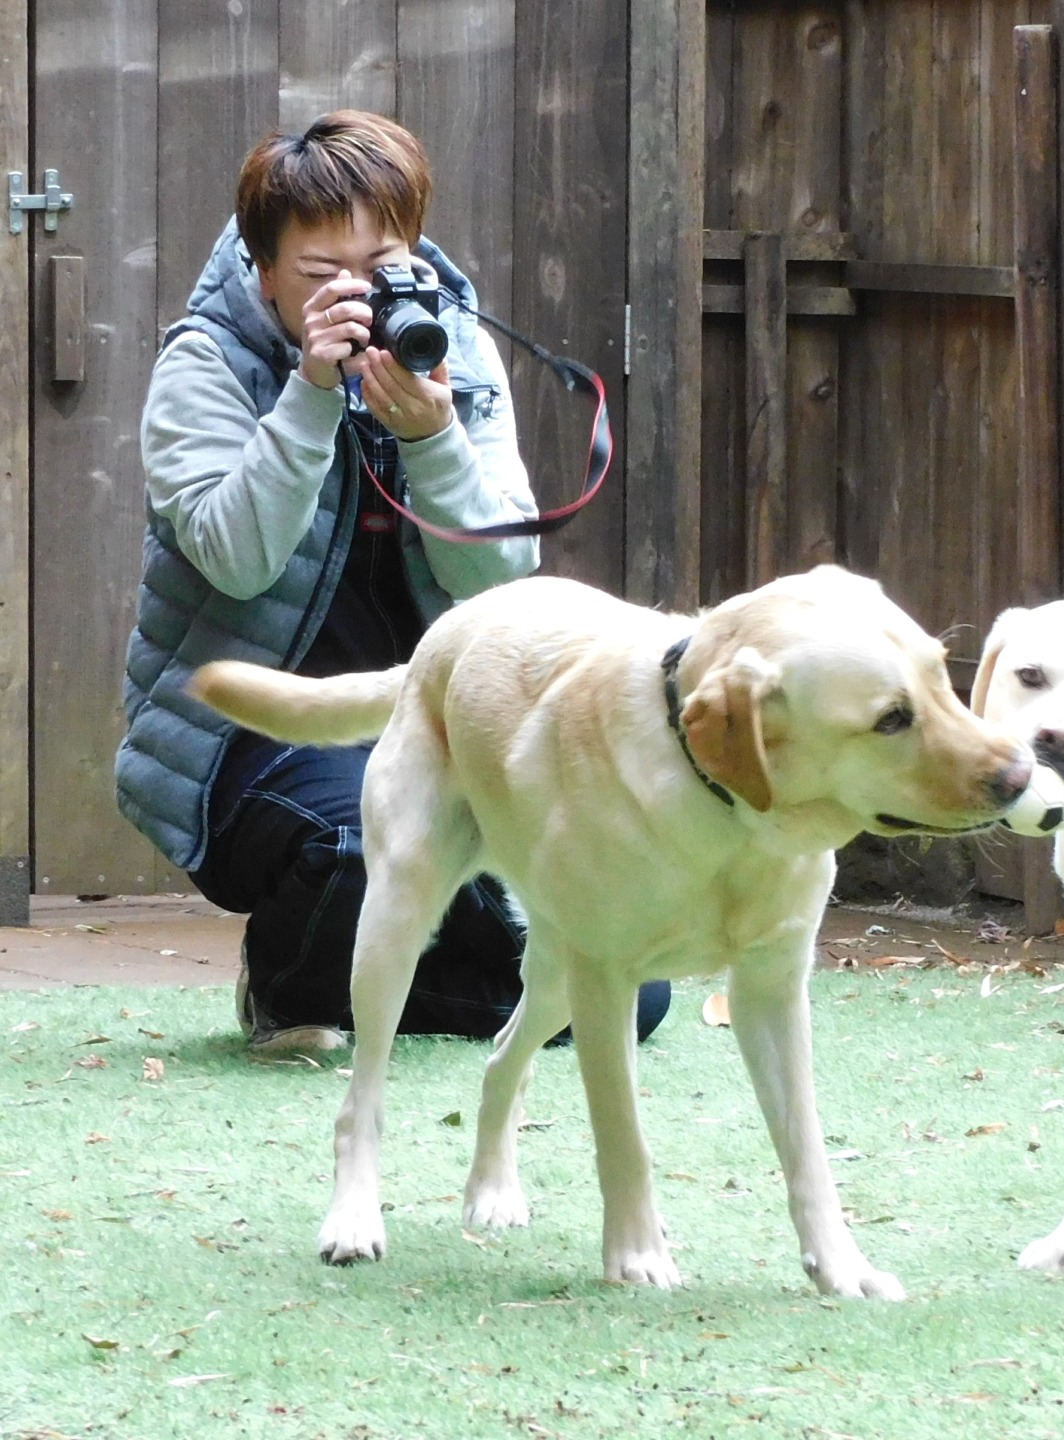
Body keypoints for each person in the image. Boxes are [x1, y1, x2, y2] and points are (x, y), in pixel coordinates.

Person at [115, 110, 669, 1051]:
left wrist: (432, 435)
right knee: (357, 846)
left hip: (437, 725)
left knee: (626, 993)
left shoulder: (448, 345)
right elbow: (235, 560)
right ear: (262, 271)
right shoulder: (206, 362)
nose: (355, 294)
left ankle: (375, 975)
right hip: (252, 736)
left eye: (380, 263)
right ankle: (288, 987)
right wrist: (310, 394)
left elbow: (498, 573)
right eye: (320, 273)